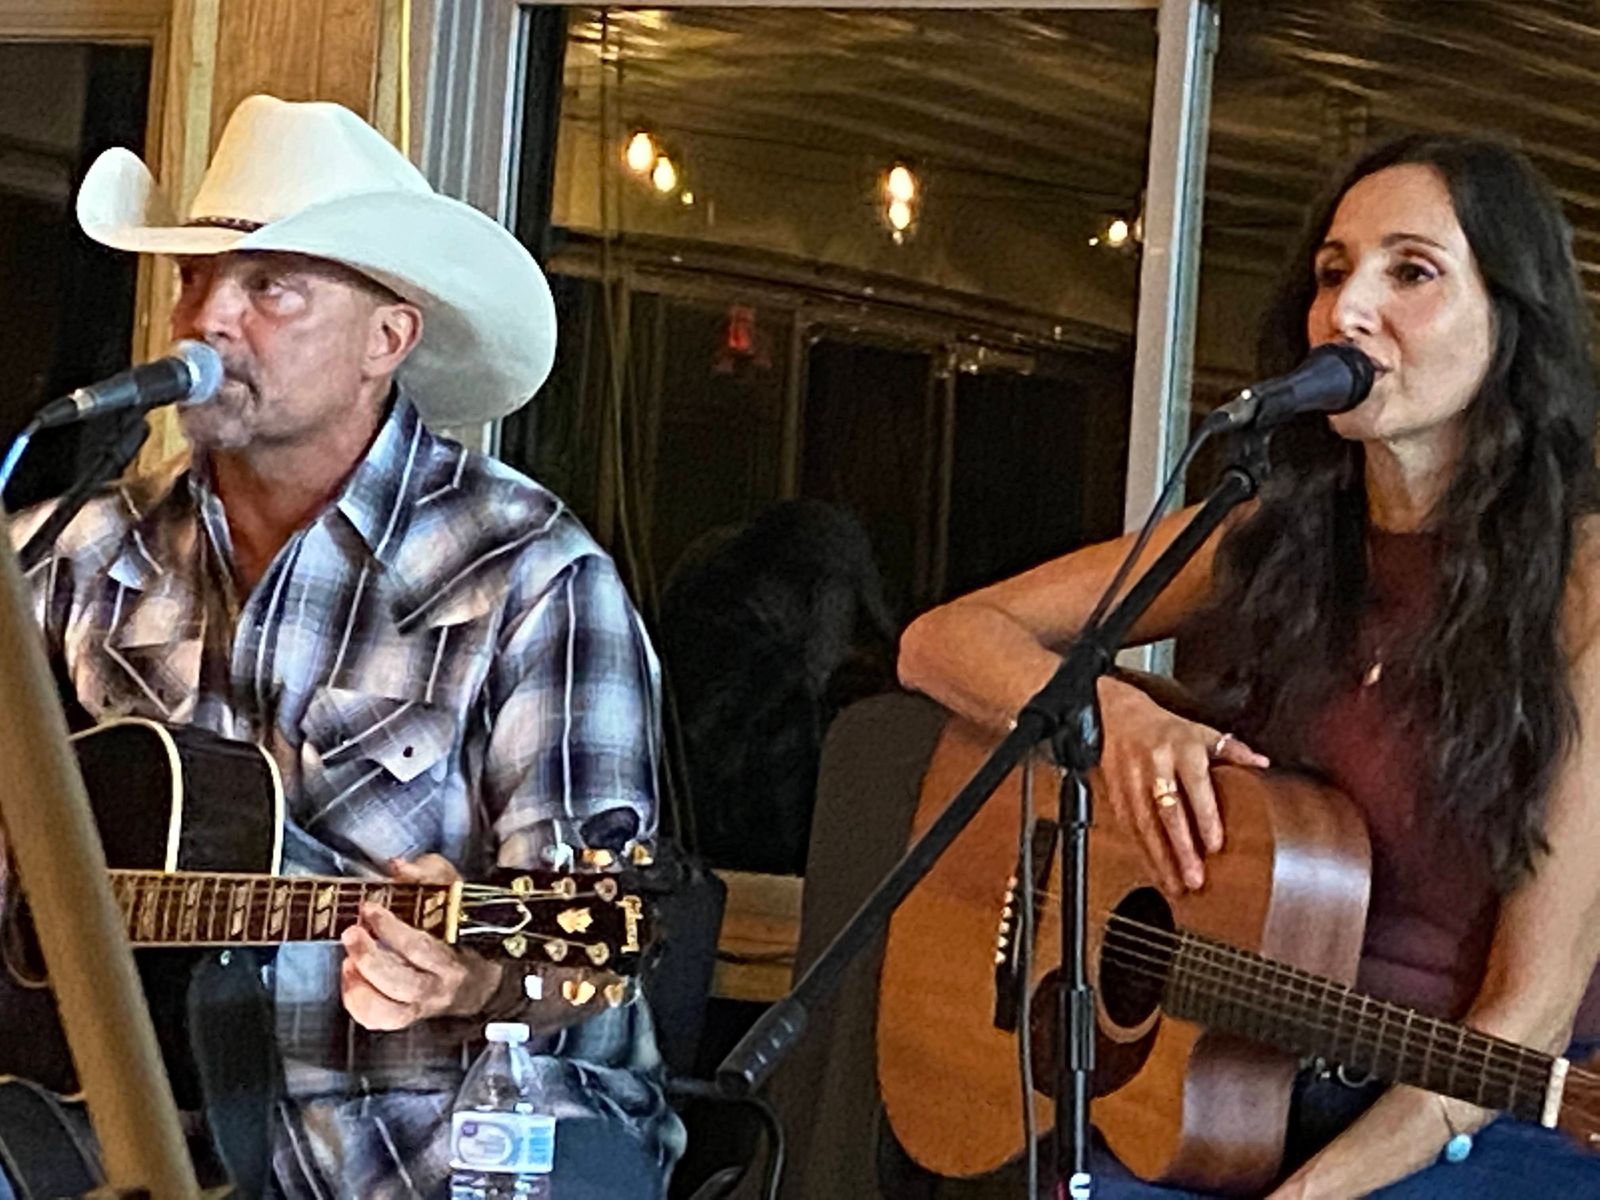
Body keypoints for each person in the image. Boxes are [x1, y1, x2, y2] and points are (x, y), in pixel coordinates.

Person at [898, 133, 1600, 1197]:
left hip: (1469, 1118)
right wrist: (1116, 723)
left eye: (1410, 272)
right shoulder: (1272, 537)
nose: (1347, 310)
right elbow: (941, 640)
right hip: (1242, 1080)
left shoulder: (1581, 588)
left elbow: (1528, 1013)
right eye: (1332, 273)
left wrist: (1308, 1195)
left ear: (1512, 322)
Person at [8, 95, 683, 1198]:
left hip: (432, 1127)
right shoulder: (76, 553)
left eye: (270, 286)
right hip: (131, 1128)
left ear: (387, 339)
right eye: (194, 278)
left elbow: (588, 951)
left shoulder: (530, 578)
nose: (207, 319)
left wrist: (473, 980)